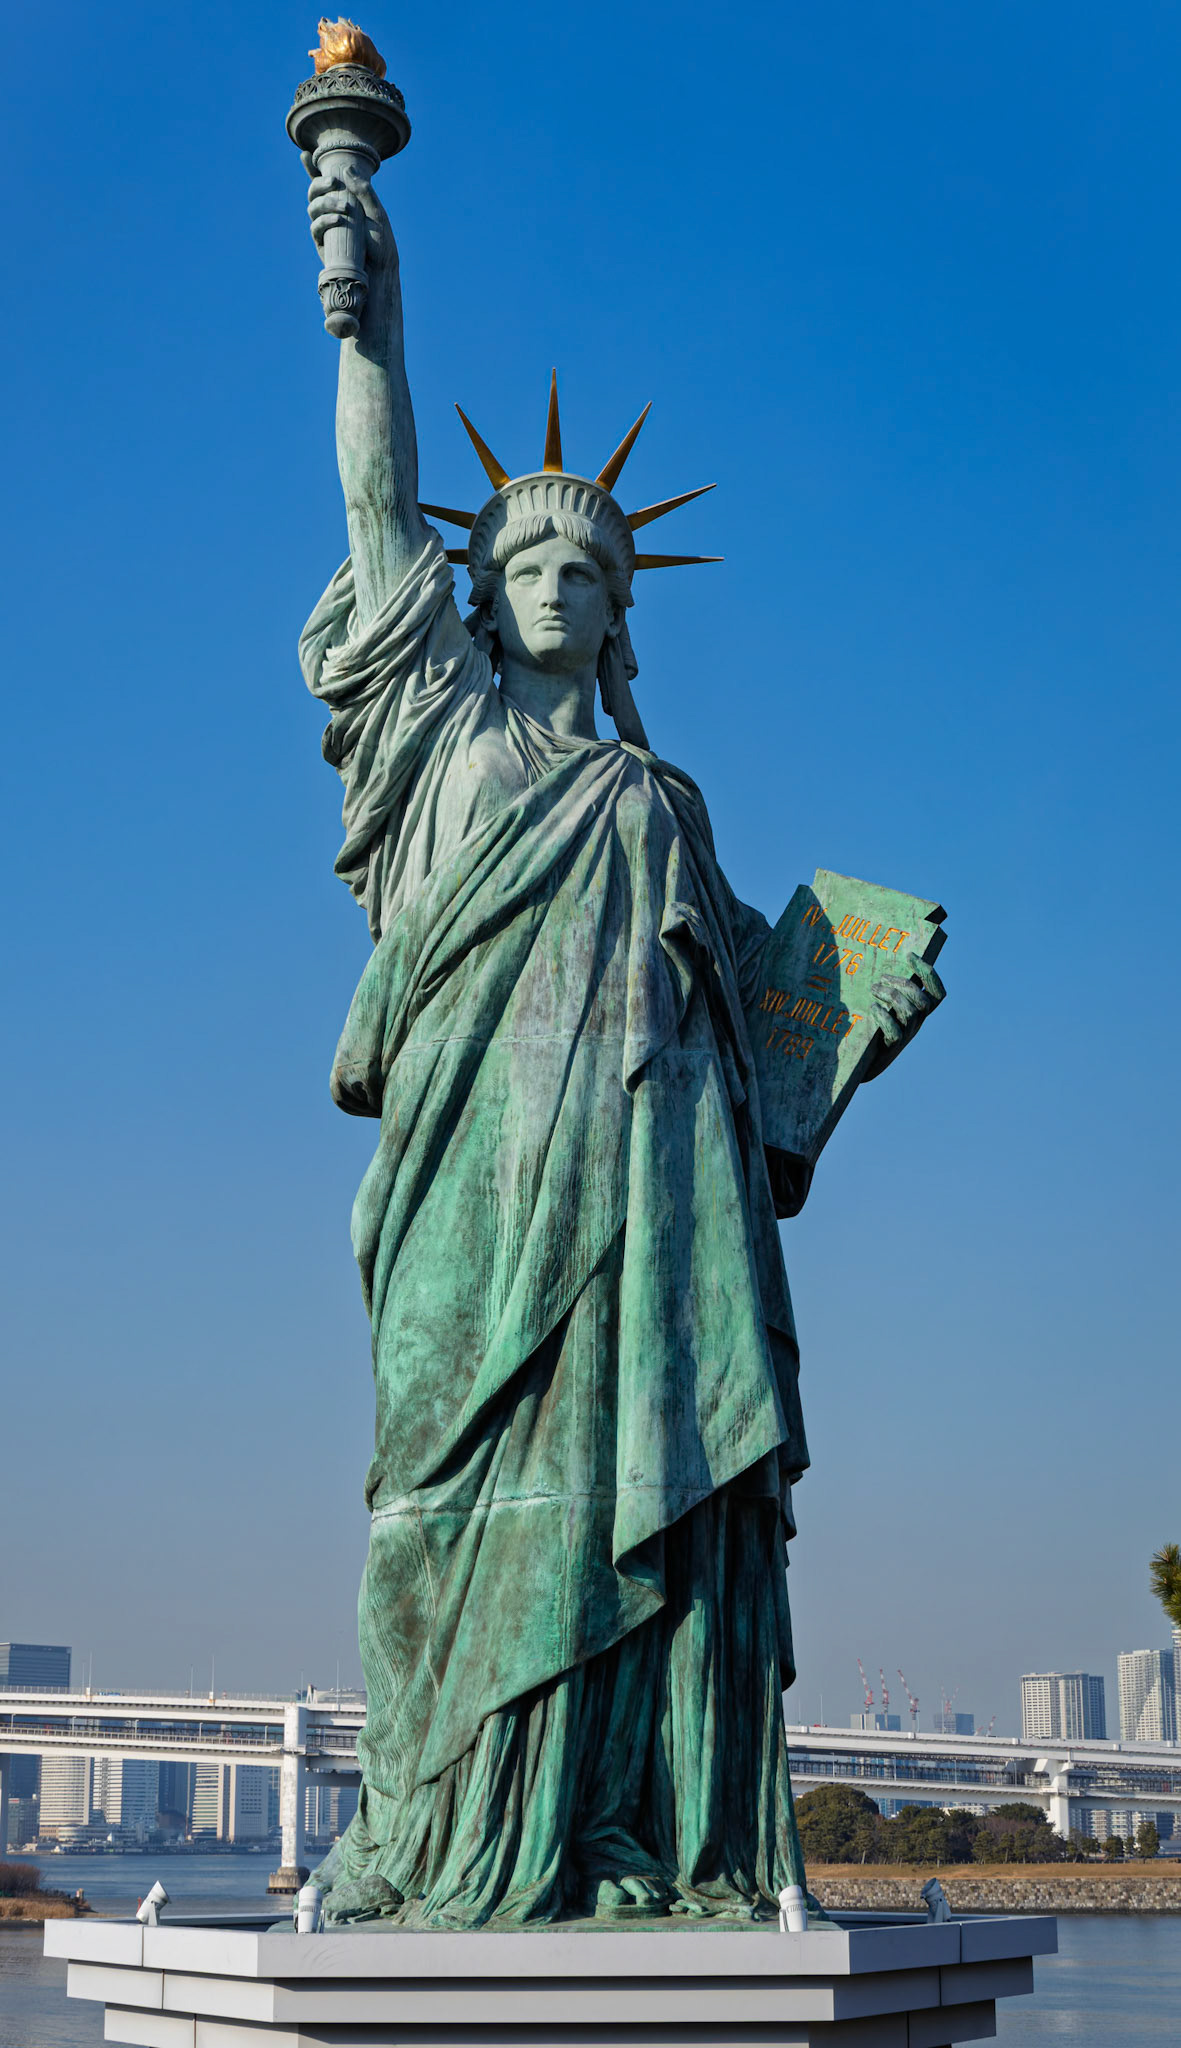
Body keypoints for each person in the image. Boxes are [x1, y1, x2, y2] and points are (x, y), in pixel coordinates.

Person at [296, 160, 939, 1928]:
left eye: (588, 563)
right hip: (467, 1182)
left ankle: (616, 1830)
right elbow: (372, 507)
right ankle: (442, 1840)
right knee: (443, 1512)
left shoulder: (661, 798)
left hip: (649, 1218)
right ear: (476, 587)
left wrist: (848, 1004)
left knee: (617, 1508)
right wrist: (370, 290)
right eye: (523, 557)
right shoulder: (430, 737)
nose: (556, 582)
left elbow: (759, 1048)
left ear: (621, 601)